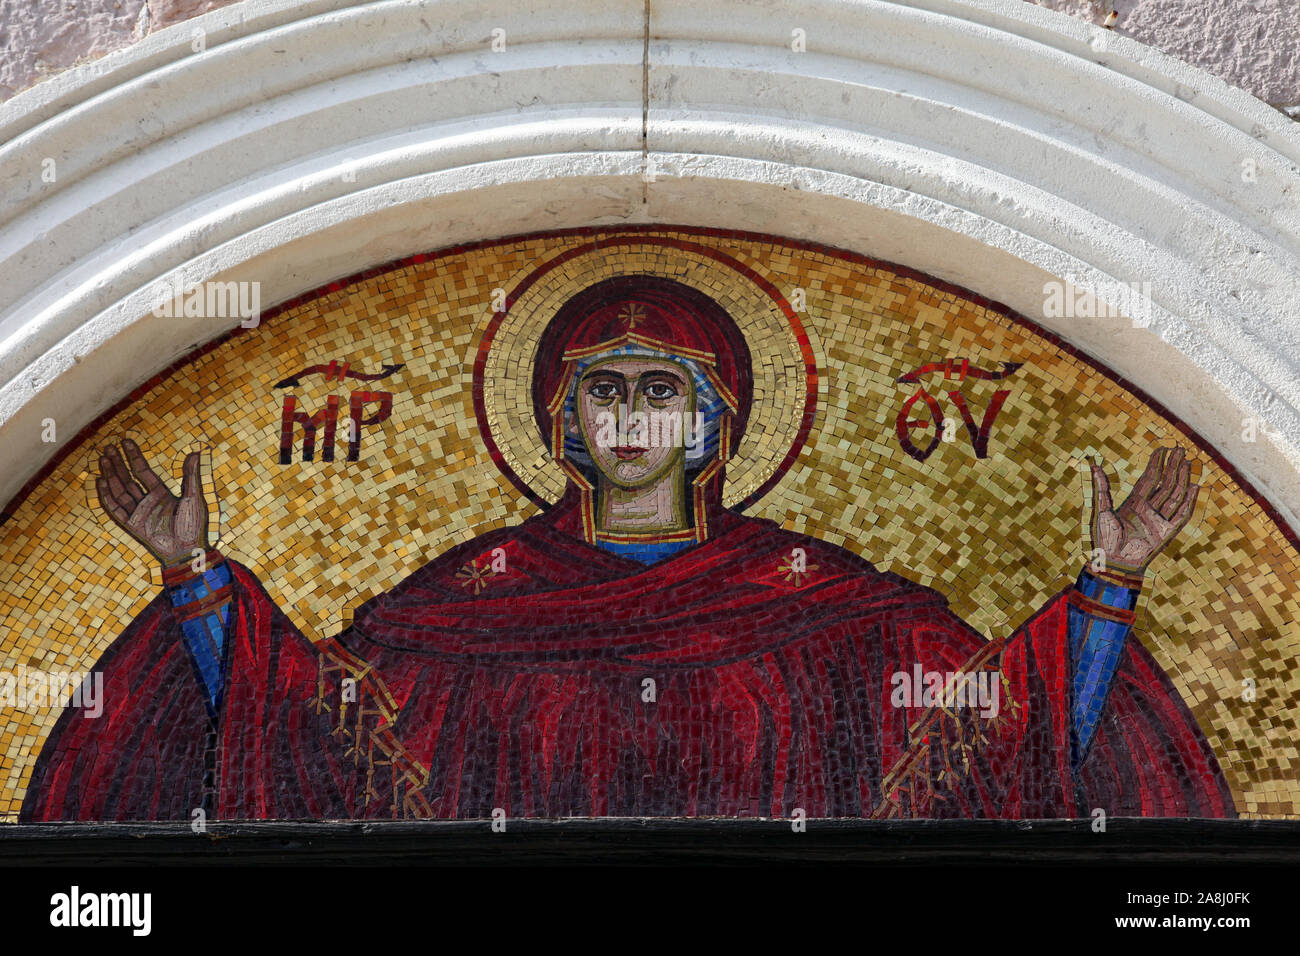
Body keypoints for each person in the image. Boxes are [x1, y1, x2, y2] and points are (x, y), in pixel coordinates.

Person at [22, 275, 1234, 821]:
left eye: (666, 386)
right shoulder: (467, 604)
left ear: (713, 422)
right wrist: (197, 582)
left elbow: (989, 727)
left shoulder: (824, 601)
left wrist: (1108, 588)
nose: (636, 412)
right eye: (608, 389)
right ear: (564, 423)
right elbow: (319, 734)